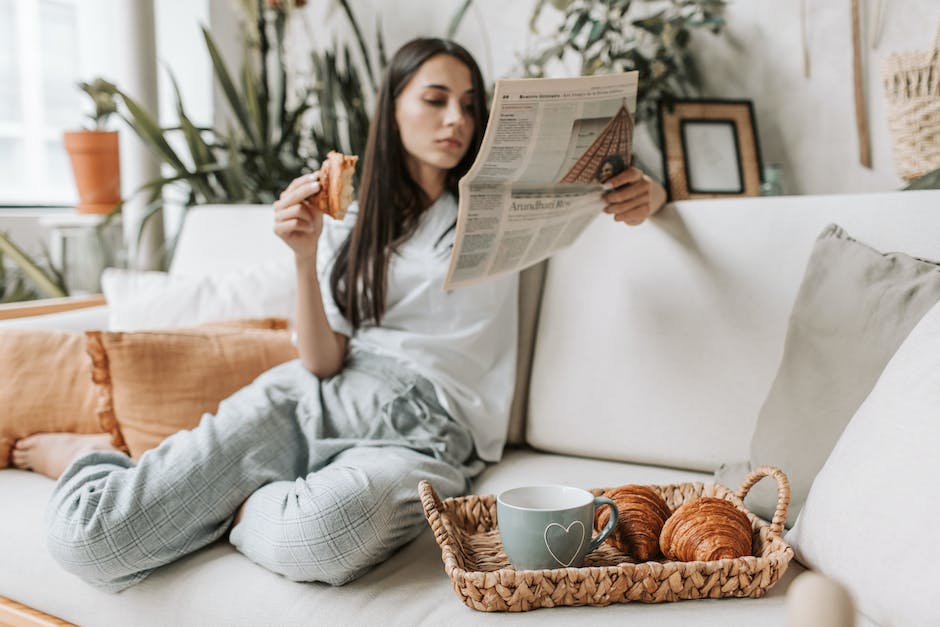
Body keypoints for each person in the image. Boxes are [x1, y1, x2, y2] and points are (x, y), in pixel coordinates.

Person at [10, 38, 664, 590]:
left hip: (430, 430)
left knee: (329, 533)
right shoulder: (351, 218)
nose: (455, 119)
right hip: (314, 394)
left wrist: (652, 193)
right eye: (434, 99)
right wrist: (302, 255)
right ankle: (98, 459)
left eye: (468, 105)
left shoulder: (509, 201)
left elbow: (625, 194)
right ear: (395, 105)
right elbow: (322, 359)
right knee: (96, 542)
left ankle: (230, 503)